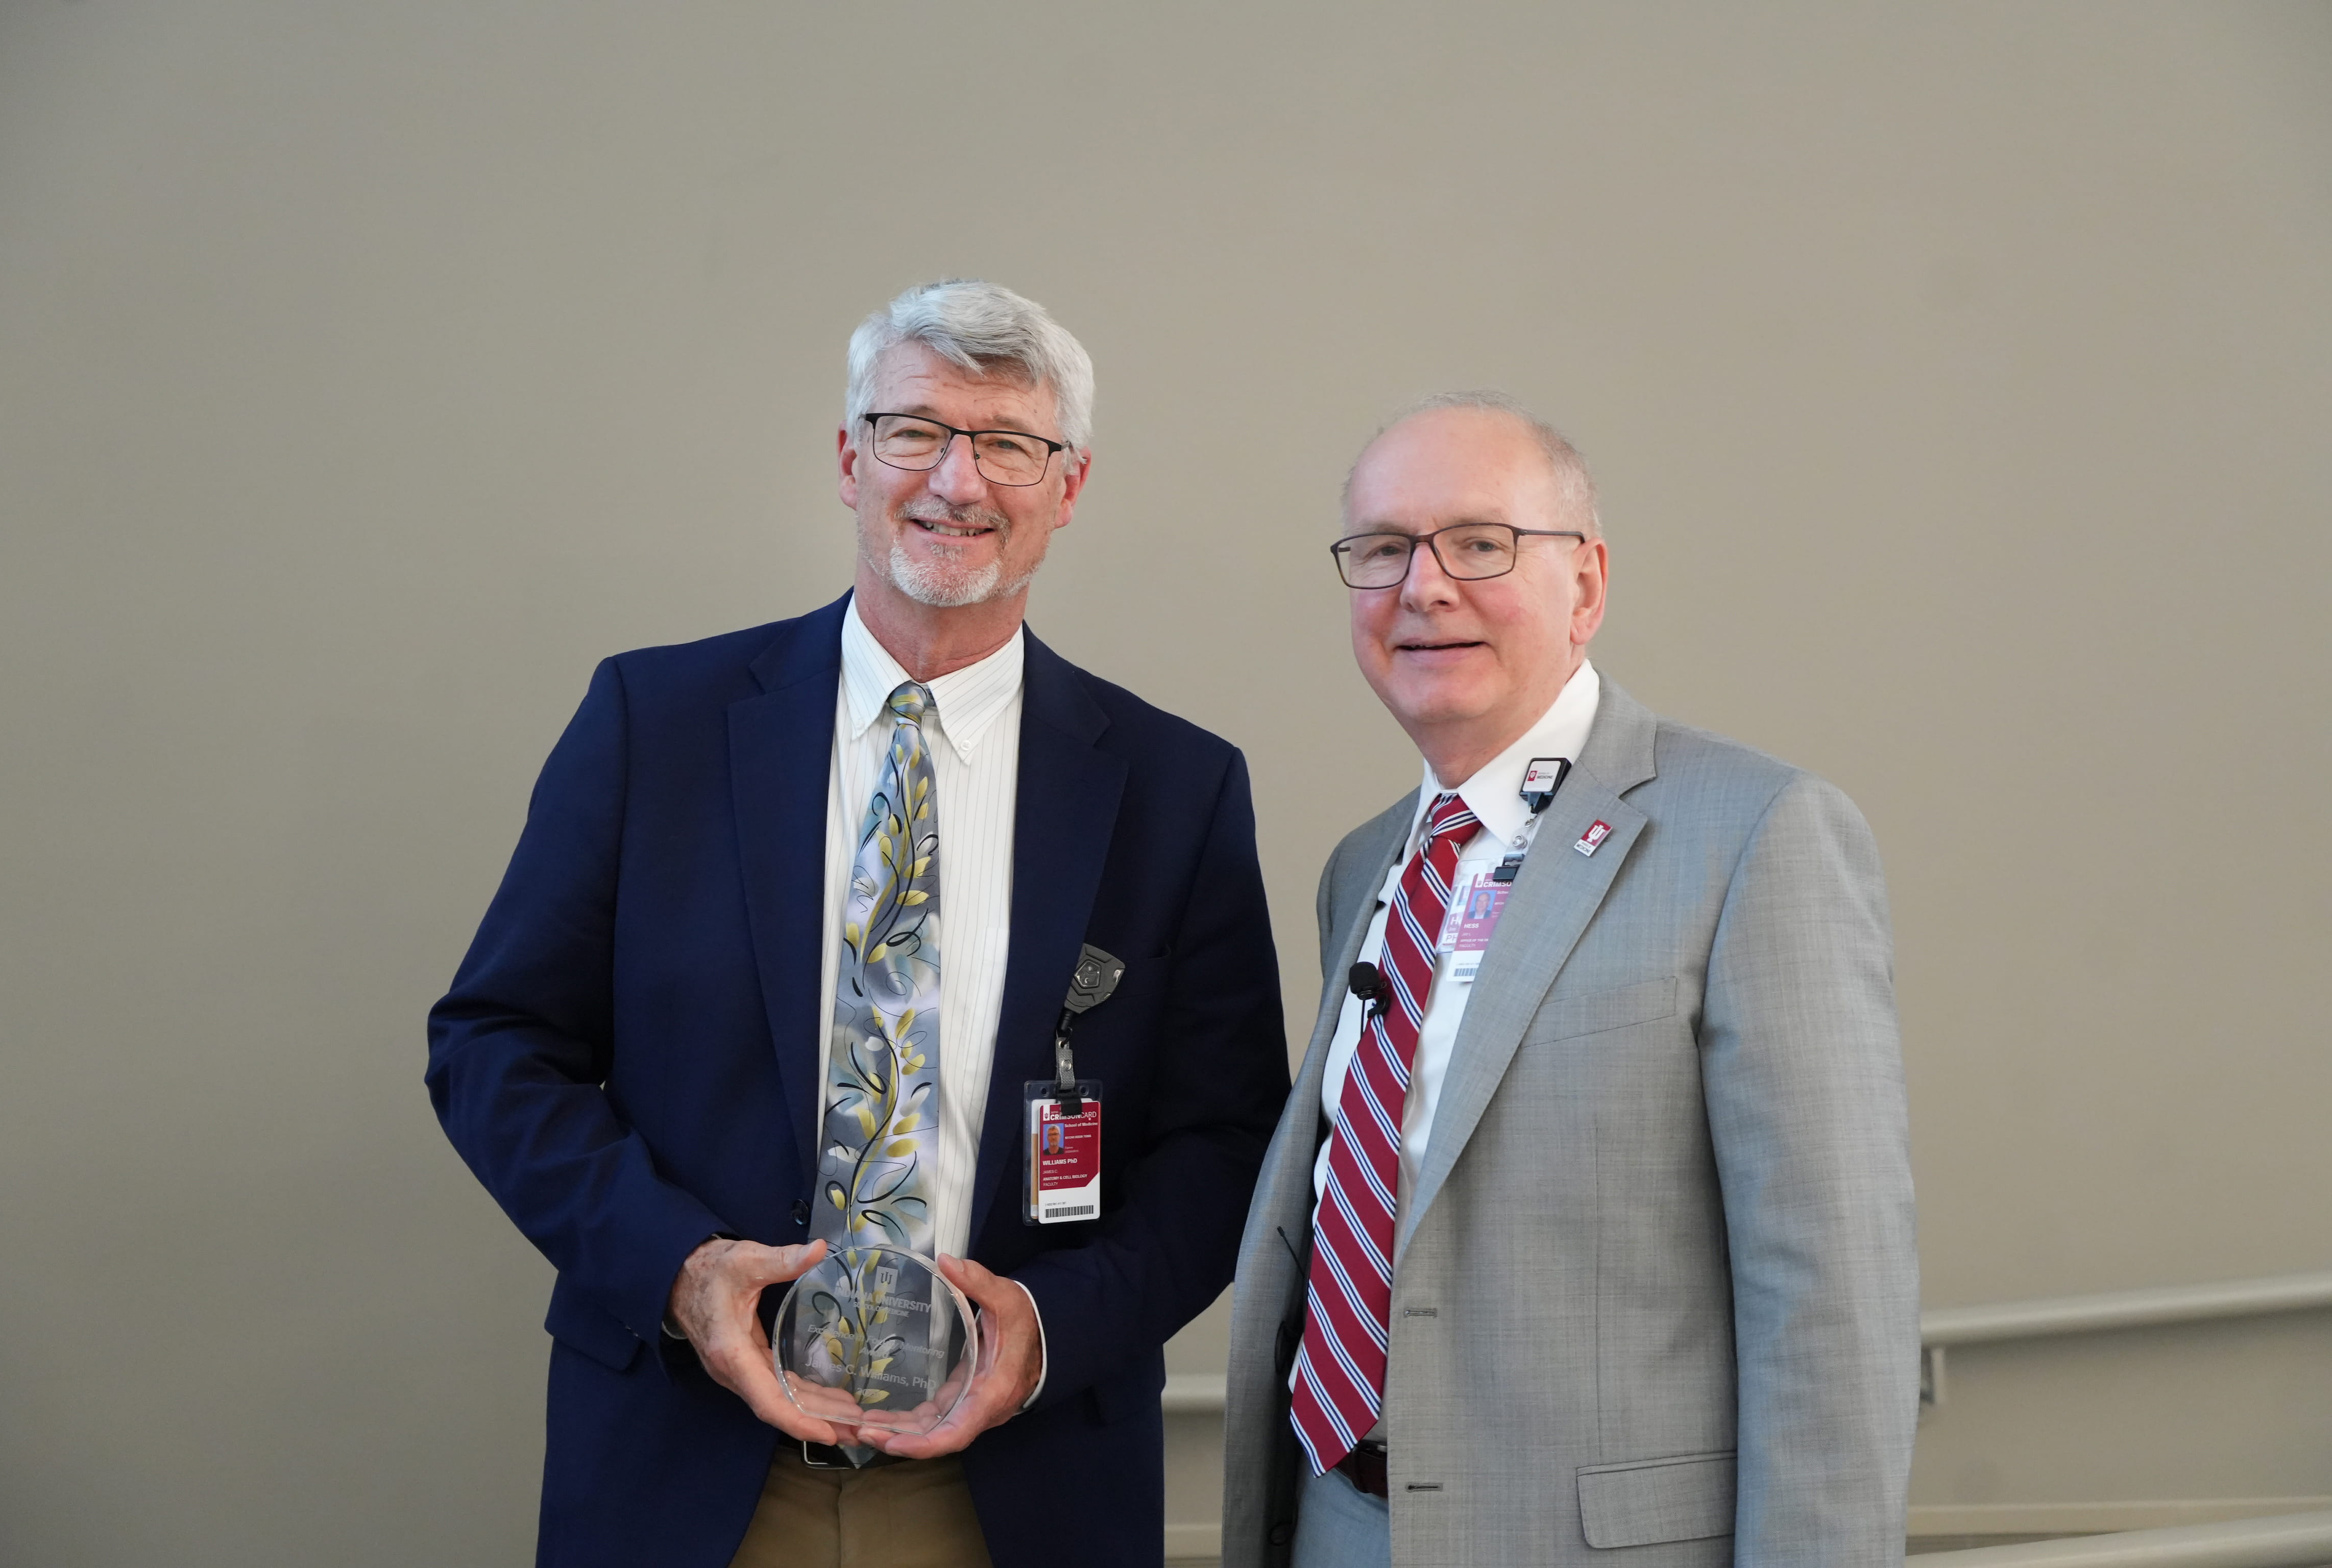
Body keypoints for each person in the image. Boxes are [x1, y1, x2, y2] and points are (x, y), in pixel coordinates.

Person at [428, 279, 1290, 1568]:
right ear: (850, 458)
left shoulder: (1176, 789)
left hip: (1017, 1485)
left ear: (1070, 486)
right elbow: (496, 1047)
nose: (959, 480)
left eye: (1009, 443)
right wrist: (683, 1271)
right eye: (914, 431)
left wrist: (1047, 1335)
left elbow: (1228, 1142)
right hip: (692, 1460)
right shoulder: (652, 726)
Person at [1220, 394, 1918, 1567]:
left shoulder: (1757, 835)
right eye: (1383, 550)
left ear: (1587, 585)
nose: (1424, 587)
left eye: (1480, 543)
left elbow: (1833, 1305)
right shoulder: (1363, 868)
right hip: (1336, 1524)